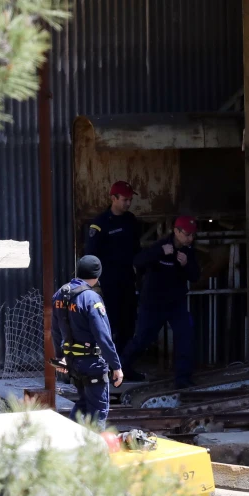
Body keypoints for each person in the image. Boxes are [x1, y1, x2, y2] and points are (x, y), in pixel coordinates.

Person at [122, 215, 201, 388]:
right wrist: (159, 253)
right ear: (176, 231)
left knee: (185, 335)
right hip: (153, 303)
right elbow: (138, 262)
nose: (190, 238)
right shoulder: (161, 246)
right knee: (142, 339)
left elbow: (195, 276)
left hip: (176, 304)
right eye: (187, 234)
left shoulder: (189, 251)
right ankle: (120, 368)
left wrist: (187, 264)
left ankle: (183, 379)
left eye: (192, 234)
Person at [51, 255, 124, 428]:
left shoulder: (60, 294)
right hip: (92, 364)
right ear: (97, 275)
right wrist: (116, 366)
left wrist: (60, 356)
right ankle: (94, 450)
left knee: (83, 404)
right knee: (98, 411)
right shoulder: (91, 298)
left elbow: (55, 330)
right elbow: (103, 336)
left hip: (73, 363)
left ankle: (70, 440)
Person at [84, 181, 142, 351]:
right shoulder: (101, 223)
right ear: (113, 198)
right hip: (109, 283)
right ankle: (108, 366)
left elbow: (136, 250)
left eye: (130, 199)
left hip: (128, 279)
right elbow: (91, 254)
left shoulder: (130, 220)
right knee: (111, 324)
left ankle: (124, 365)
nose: (129, 203)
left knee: (129, 323)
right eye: (125, 199)